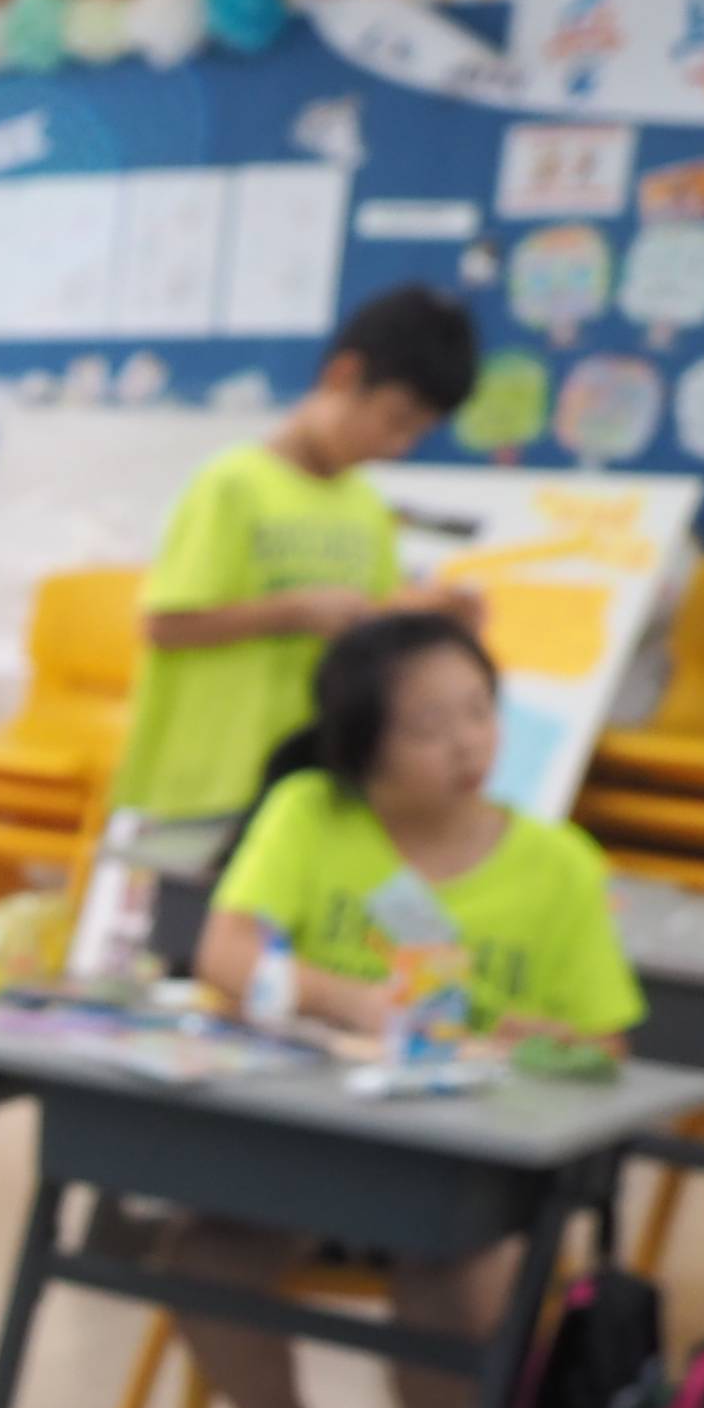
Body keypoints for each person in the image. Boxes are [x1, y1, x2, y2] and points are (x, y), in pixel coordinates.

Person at [172, 612, 643, 1408]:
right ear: (363, 747)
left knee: (452, 1286)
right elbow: (225, 952)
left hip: (462, 1177)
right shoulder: (311, 813)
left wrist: (538, 1040)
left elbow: (607, 1046)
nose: (467, 745)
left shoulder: (558, 866)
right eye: (428, 727)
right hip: (307, 1147)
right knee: (203, 1259)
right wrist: (351, 1001)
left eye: (479, 712)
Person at [101, 284, 483, 953]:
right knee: (177, 948)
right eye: (393, 420)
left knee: (272, 953)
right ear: (344, 376)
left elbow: (369, 634)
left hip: (313, 778)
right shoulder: (234, 484)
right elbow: (164, 623)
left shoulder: (365, 508)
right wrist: (292, 611)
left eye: (416, 432)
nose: (397, 445)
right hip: (206, 780)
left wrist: (434, 620)